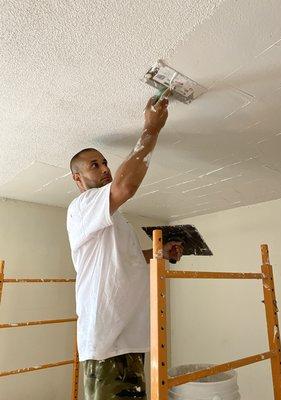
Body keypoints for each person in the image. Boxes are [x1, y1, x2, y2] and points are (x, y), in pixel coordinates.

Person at [67, 96, 183, 400]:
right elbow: (125, 187)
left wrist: (159, 254)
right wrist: (151, 130)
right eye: (95, 165)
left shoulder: (114, 220)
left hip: (129, 336)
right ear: (77, 178)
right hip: (104, 340)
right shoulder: (83, 207)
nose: (105, 168)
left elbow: (127, 259)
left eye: (105, 162)